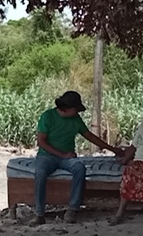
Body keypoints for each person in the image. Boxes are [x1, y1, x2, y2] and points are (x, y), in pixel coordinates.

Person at [32, 90, 124, 225]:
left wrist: (112, 149)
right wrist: (62, 154)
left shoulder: (76, 119)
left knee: (79, 168)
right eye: (76, 109)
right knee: (40, 172)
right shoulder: (48, 116)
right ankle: (39, 213)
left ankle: (72, 209)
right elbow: (41, 142)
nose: (78, 113)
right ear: (66, 109)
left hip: (67, 158)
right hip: (47, 156)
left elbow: (90, 137)